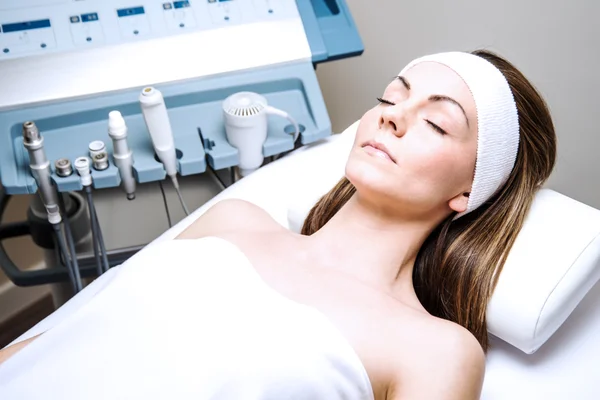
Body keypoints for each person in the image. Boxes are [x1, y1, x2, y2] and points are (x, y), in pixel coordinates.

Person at [0, 50, 556, 400]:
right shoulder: (234, 221)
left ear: (469, 191)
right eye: (391, 97)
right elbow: (53, 342)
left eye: (435, 122)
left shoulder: (435, 351)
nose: (392, 115)